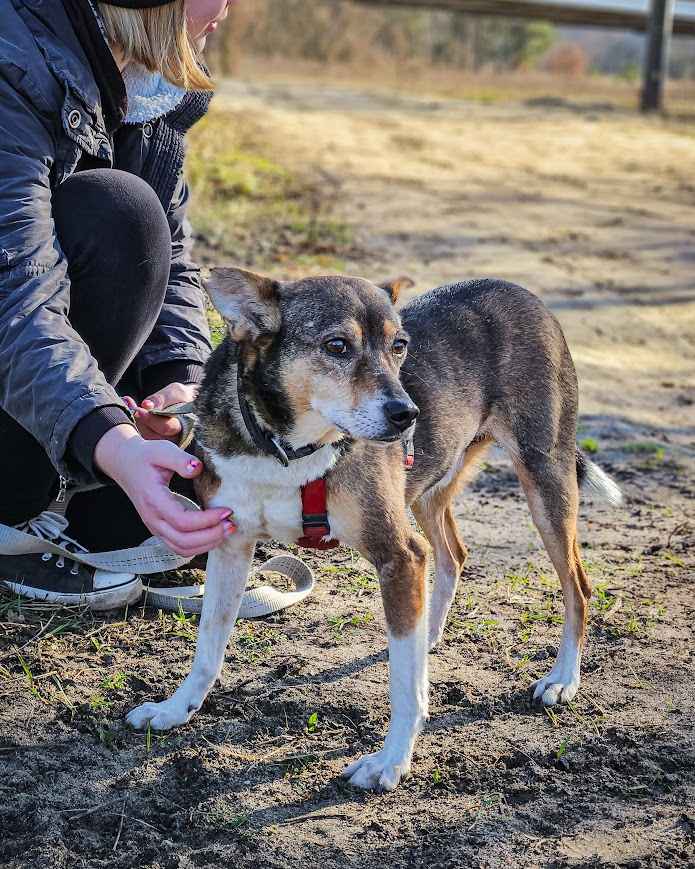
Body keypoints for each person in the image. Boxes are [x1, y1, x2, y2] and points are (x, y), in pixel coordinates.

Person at [0, 0, 238, 609]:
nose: (227, 9)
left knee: (126, 527)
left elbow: (172, 262)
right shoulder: (12, 60)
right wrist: (114, 441)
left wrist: (182, 383)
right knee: (117, 212)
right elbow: (16, 299)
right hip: (16, 328)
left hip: (46, 379)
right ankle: (17, 513)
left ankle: (88, 514)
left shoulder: (151, 83)